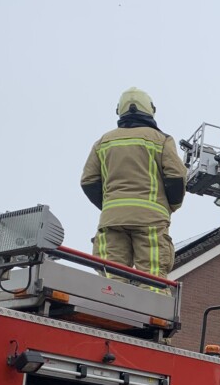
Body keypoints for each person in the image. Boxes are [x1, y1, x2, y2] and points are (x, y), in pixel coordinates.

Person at [80, 87, 186, 279]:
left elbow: (88, 181)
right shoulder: (161, 140)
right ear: (150, 109)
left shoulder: (103, 142)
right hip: (151, 220)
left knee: (111, 278)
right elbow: (176, 177)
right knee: (152, 277)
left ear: (119, 110)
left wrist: (110, 206)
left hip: (112, 219)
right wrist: (171, 206)